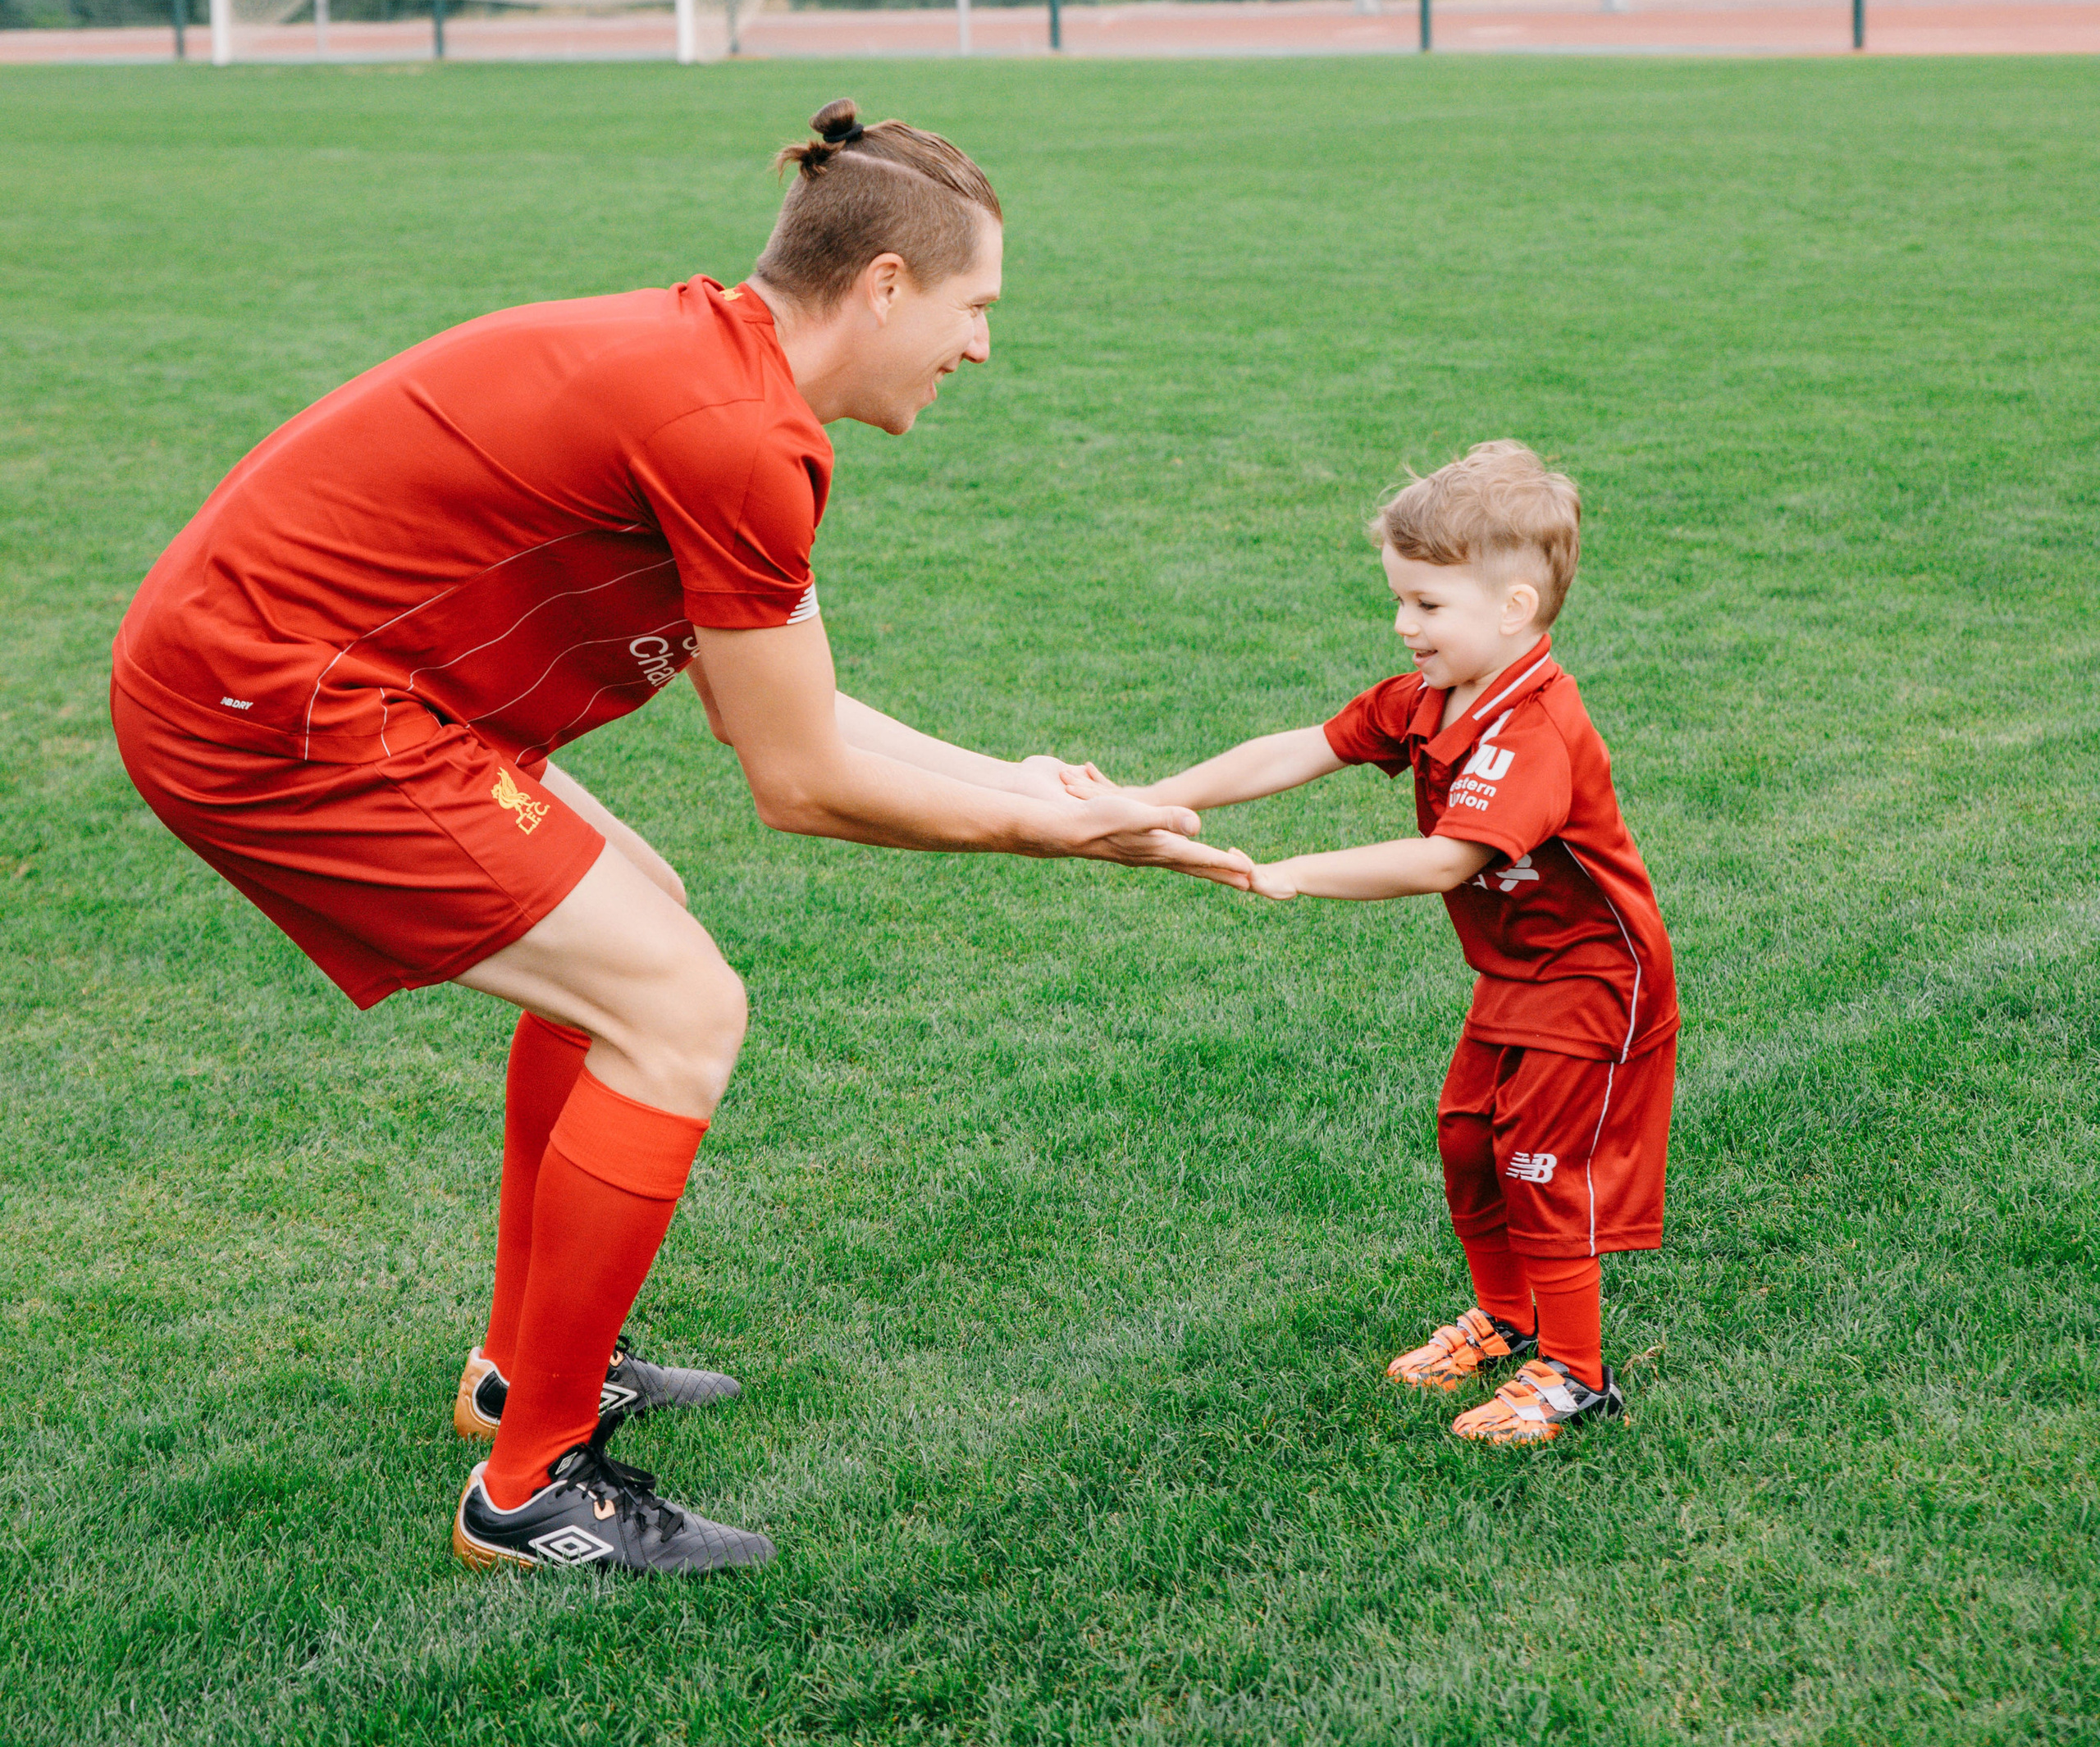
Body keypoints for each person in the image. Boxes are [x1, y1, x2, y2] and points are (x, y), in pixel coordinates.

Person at [112, 98, 1244, 1576]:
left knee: (642, 914)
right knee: (678, 1005)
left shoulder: (724, 379)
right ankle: (533, 1488)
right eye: (974, 307)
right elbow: (802, 781)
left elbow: (779, 708)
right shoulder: (735, 433)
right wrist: (1059, 837)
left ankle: (524, 1372)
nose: (981, 347)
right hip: (276, 705)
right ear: (884, 286)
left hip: (325, 678)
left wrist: (1033, 782)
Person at [1113, 441, 1677, 1447]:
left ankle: (1575, 1375)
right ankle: (1505, 1321)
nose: (1402, 625)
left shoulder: (1534, 729)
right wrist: (1150, 797)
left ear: (1512, 609)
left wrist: (1289, 871)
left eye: (1425, 604)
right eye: (1399, 600)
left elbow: (1444, 861)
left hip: (1592, 980)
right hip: (1515, 971)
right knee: (1468, 1139)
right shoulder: (1430, 698)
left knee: (1538, 1165)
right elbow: (1304, 746)